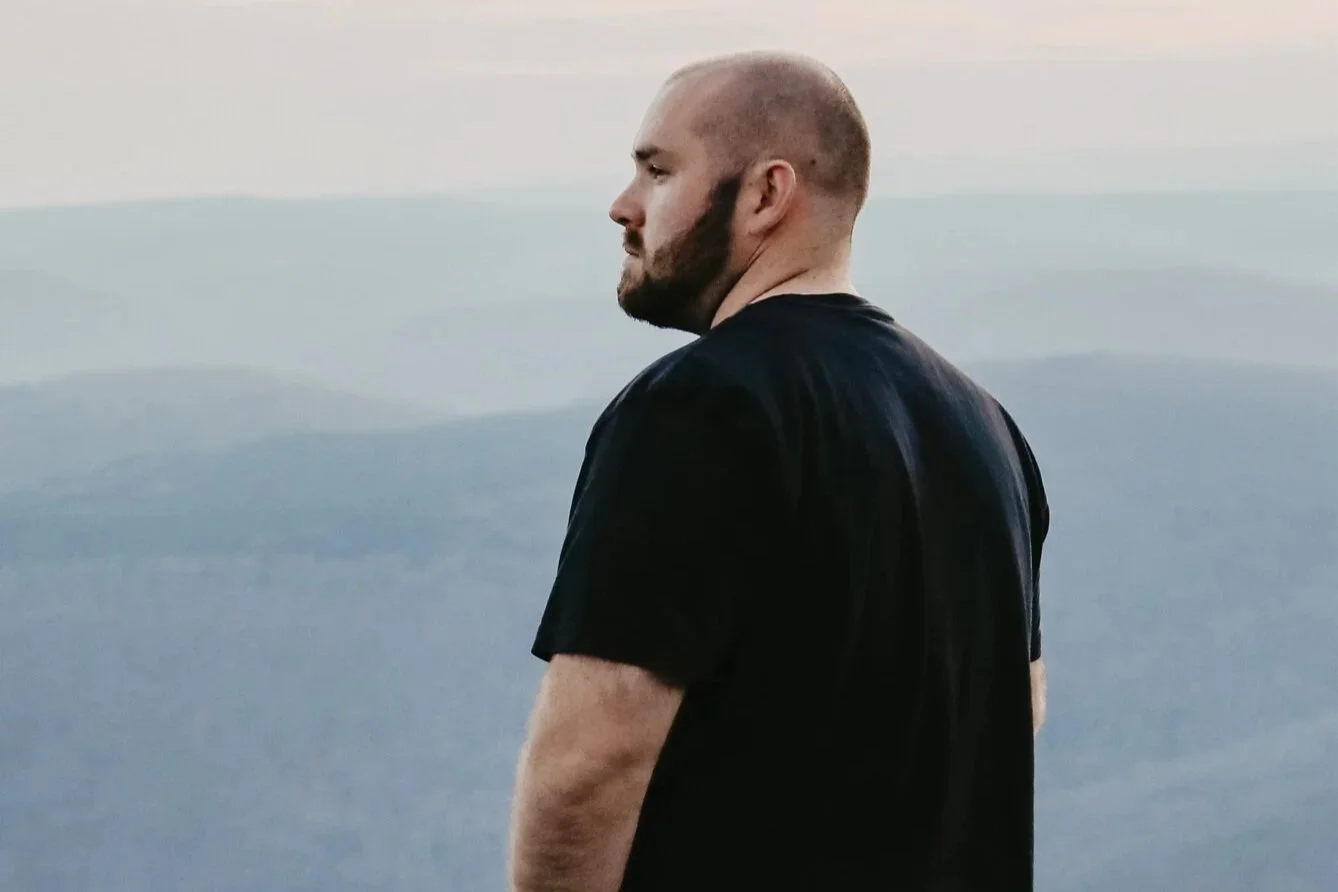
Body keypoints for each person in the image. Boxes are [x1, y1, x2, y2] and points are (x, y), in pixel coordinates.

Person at [507, 50, 1050, 892]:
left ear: (767, 194)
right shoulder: (986, 427)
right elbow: (1019, 712)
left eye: (657, 171)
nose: (622, 207)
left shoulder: (698, 410)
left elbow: (593, 756)